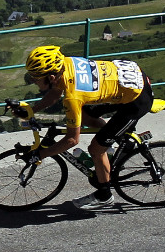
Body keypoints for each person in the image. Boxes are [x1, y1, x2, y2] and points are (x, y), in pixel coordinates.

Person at [21, 45, 153, 210]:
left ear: (52, 77)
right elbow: (55, 93)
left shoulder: (72, 97)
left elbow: (72, 140)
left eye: (36, 77)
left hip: (136, 100)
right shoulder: (66, 64)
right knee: (85, 115)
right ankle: (113, 143)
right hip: (128, 79)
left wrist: (40, 154)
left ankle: (104, 195)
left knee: (95, 149)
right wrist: (32, 110)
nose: (33, 80)